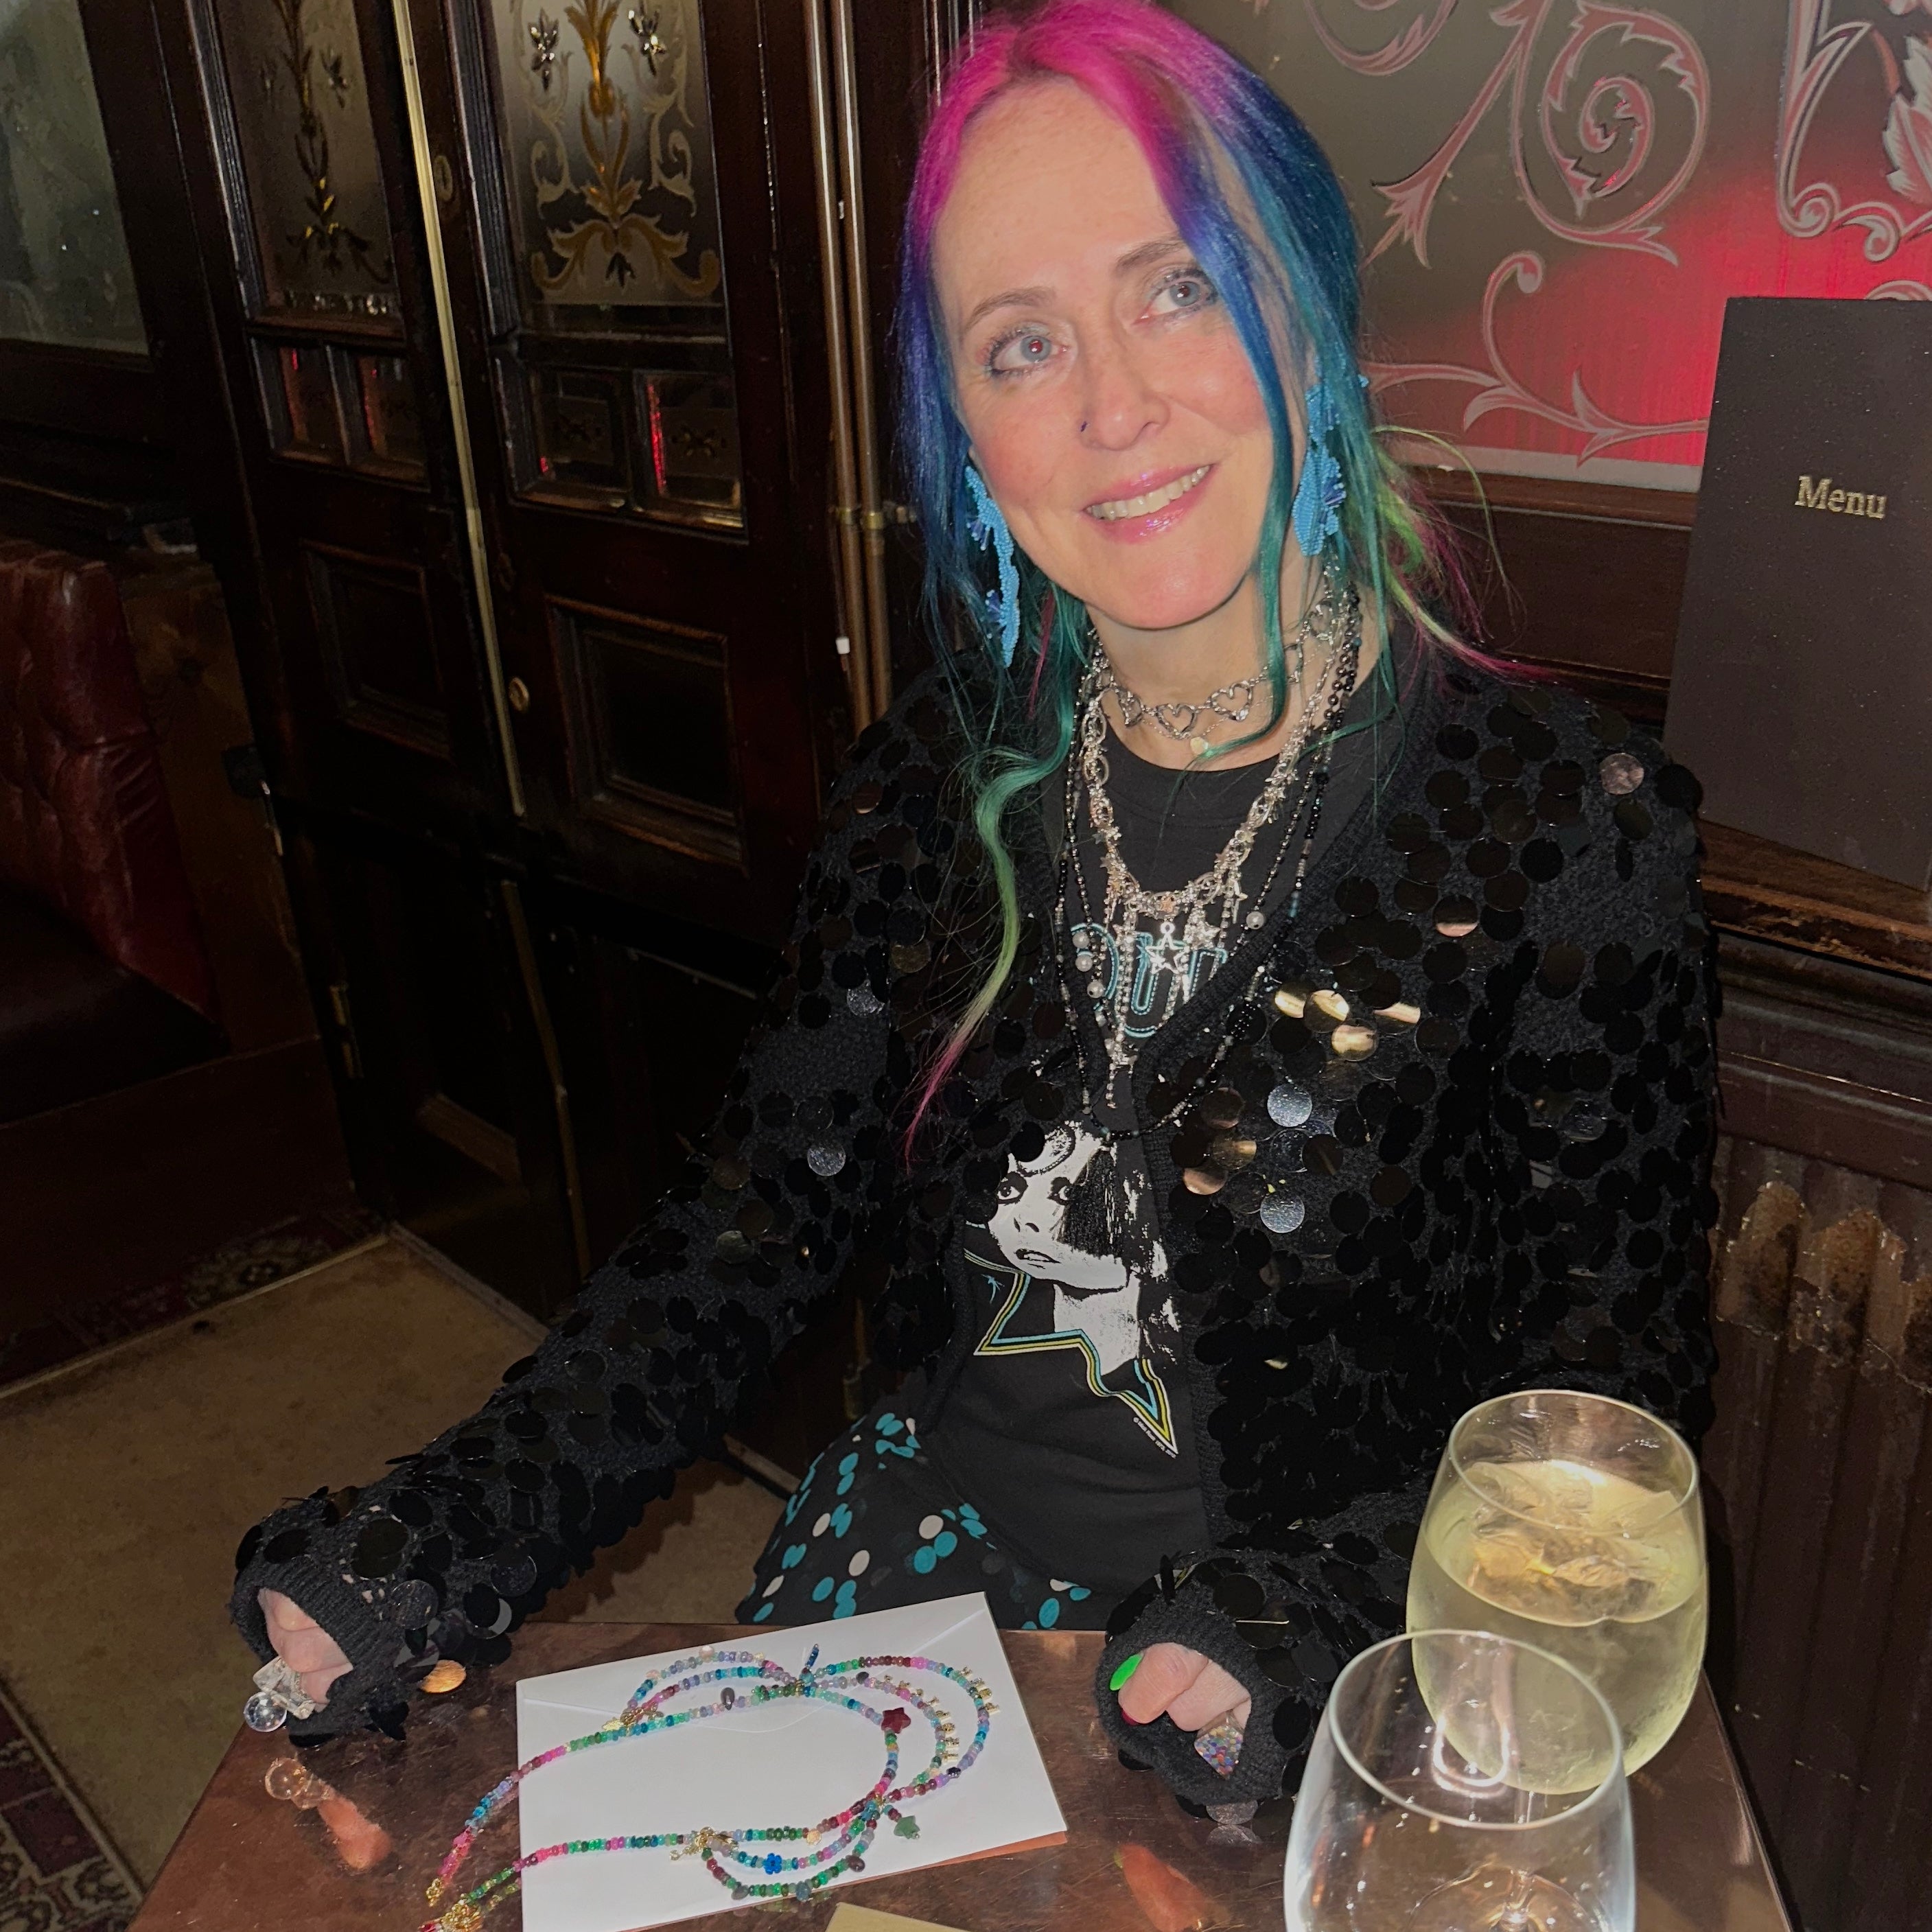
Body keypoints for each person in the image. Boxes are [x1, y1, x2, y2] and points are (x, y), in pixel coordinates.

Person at [233, 0, 1717, 1812]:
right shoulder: (927, 784)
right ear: (969, 439)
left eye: (1179, 289)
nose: (1112, 405)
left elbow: (1610, 1405)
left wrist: (1307, 1604)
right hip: (917, 1584)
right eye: (1024, 344)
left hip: (1330, 1666)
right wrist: (435, 1537)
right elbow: (746, 1233)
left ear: (1306, 314)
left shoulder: (1567, 823)